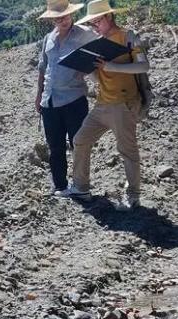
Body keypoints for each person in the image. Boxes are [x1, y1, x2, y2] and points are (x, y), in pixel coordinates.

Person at [70, 0, 151, 210]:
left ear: (107, 17)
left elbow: (144, 65)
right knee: (80, 140)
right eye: (92, 23)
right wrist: (90, 70)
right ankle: (80, 187)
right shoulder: (98, 43)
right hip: (102, 104)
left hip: (123, 104)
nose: (94, 26)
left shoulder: (128, 36)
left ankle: (133, 195)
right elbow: (101, 76)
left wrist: (112, 66)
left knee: (127, 150)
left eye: (96, 21)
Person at [36, 0, 99, 198]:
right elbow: (43, 68)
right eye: (57, 17)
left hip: (74, 98)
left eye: (64, 15)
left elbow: (103, 48)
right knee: (55, 146)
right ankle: (60, 186)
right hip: (50, 101)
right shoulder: (49, 38)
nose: (61, 20)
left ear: (71, 14)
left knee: (78, 144)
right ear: (52, 19)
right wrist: (39, 95)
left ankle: (81, 187)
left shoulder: (84, 34)